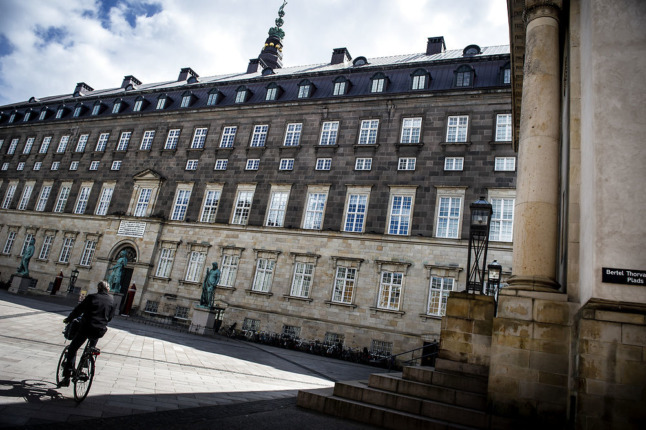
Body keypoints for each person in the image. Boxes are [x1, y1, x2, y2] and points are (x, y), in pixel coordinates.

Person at [59, 280, 116, 387]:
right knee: (91, 346)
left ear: (98, 288)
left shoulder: (92, 297)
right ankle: (86, 359)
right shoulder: (112, 300)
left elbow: (78, 310)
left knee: (72, 349)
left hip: (86, 328)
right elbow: (110, 317)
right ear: (108, 289)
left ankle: (67, 376)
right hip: (99, 330)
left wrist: (69, 318)